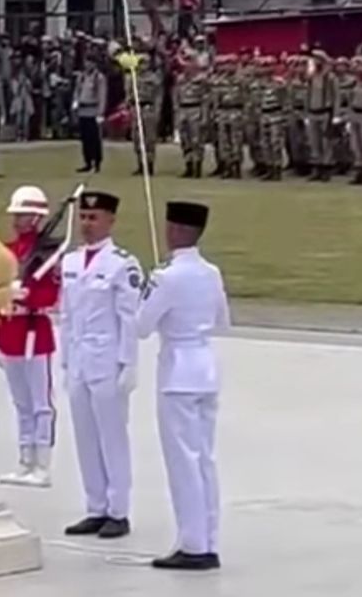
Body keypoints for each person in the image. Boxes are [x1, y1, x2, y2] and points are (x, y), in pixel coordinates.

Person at [138, 201, 228, 571]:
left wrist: (145, 292)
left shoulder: (166, 277)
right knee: (204, 458)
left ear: (174, 230)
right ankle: (207, 538)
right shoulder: (212, 272)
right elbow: (222, 320)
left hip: (177, 372)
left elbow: (140, 326)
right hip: (206, 368)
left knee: (183, 462)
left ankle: (193, 544)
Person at [60, 190, 142, 540]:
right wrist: (65, 360)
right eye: (83, 217)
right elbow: (66, 315)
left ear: (110, 220)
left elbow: (129, 318)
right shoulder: (70, 262)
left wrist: (129, 363)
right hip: (80, 358)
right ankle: (95, 507)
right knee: (85, 437)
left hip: (108, 359)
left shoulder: (122, 263)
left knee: (112, 437)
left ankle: (118, 510)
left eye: (94, 218)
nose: (86, 224)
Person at [0, 185, 61, 489]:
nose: (16, 220)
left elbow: (51, 295)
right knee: (21, 403)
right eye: (16, 214)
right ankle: (24, 461)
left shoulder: (48, 254)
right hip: (11, 332)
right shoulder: (7, 252)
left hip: (35, 331)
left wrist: (27, 296)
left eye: (22, 215)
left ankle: (42, 464)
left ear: (35, 218)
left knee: (40, 403)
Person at [73, 63, 106, 174]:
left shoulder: (98, 77)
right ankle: (87, 162)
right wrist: (75, 103)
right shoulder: (81, 76)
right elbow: (77, 91)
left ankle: (97, 162)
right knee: (85, 139)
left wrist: (101, 112)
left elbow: (102, 95)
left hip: (93, 110)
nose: (87, 65)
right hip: (83, 110)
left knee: (94, 138)